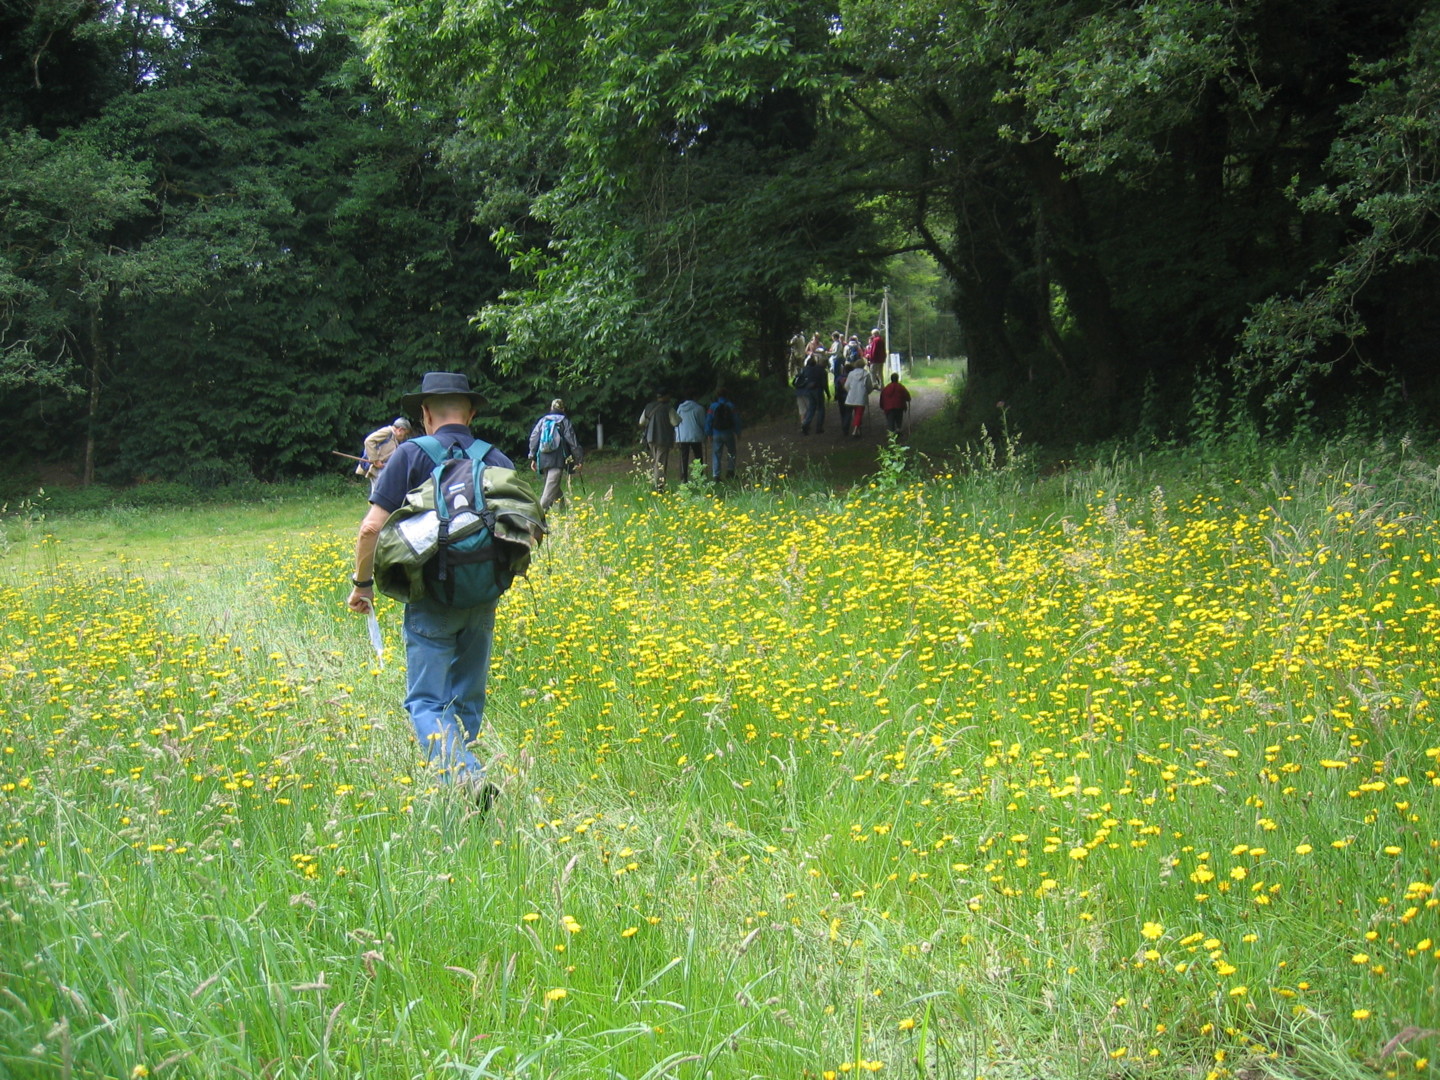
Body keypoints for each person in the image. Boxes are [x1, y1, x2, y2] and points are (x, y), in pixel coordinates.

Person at [347, 372, 512, 809]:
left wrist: (363, 585)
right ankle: (470, 785)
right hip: (483, 596)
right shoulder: (495, 458)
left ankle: (465, 779)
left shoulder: (409, 456)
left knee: (425, 701)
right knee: (467, 698)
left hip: (430, 598)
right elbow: (524, 531)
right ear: (471, 412)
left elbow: (370, 529)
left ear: (424, 414)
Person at [527, 398, 583, 510]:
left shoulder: (543, 421)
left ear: (551, 408)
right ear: (563, 409)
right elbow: (573, 442)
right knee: (551, 486)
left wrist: (532, 457)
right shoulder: (564, 421)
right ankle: (539, 512)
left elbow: (534, 438)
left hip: (542, 456)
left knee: (552, 484)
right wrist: (579, 459)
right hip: (557, 457)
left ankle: (563, 508)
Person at [638, 390, 681, 489]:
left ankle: (657, 483)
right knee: (660, 462)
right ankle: (659, 486)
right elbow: (676, 422)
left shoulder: (648, 406)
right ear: (665, 396)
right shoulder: (667, 408)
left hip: (650, 438)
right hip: (664, 439)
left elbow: (641, 422)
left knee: (657, 460)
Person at [356, 416, 412, 484]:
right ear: (400, 429)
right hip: (378, 469)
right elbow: (369, 441)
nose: (404, 437)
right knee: (378, 492)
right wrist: (375, 460)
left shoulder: (394, 437)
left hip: (384, 469)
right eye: (405, 434)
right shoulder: (387, 431)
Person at [706, 387, 741, 479]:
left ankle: (716, 475)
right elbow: (736, 419)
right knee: (732, 452)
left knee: (716, 454)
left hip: (716, 433)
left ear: (717, 396)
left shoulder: (713, 406)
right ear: (727, 395)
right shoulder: (731, 406)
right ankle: (730, 472)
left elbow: (709, 420)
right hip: (728, 432)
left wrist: (708, 433)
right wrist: (738, 432)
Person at [675, 391, 707, 480]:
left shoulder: (680, 408)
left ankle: (683, 477)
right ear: (695, 397)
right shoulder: (699, 408)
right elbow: (703, 423)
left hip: (682, 436)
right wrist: (705, 433)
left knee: (683, 458)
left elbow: (677, 421)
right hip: (695, 435)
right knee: (698, 456)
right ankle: (699, 476)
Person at [796, 351, 828, 434]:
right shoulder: (823, 371)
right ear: (825, 364)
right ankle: (819, 427)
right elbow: (824, 384)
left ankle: (805, 423)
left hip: (809, 390)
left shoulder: (811, 369)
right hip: (818, 390)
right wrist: (828, 393)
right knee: (821, 409)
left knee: (811, 408)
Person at [843, 361, 875, 437]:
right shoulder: (866, 374)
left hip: (852, 396)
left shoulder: (851, 374)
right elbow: (869, 386)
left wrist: (850, 391)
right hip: (861, 396)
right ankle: (855, 430)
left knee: (856, 413)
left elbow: (846, 385)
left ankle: (858, 430)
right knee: (859, 413)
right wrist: (868, 392)